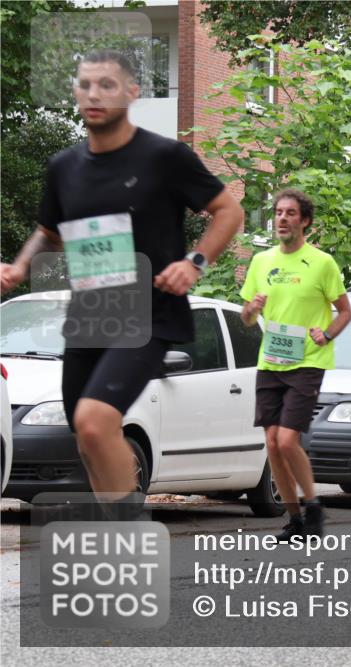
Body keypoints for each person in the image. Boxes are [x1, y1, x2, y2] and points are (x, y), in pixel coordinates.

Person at [0, 51, 243, 506]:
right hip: (92, 314)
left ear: (132, 92)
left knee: (95, 420)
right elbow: (49, 232)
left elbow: (229, 210)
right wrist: (18, 266)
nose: (94, 94)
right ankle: (119, 522)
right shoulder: (64, 167)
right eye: (85, 84)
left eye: (107, 85)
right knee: (88, 434)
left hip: (150, 312)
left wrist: (194, 262)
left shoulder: (165, 156)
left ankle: (128, 535)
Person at [240, 189, 351, 539]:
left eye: (290, 213)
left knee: (288, 440)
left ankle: (314, 505)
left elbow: (346, 311)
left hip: (307, 361)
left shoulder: (321, 263)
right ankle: (295, 518)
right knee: (272, 442)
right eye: (278, 212)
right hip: (271, 361)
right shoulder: (261, 262)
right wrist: (253, 309)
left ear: (304, 221)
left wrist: (327, 334)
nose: (282, 218)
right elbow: (245, 318)